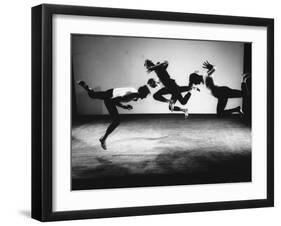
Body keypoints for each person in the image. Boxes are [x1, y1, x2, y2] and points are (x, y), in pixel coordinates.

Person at [77, 80, 150, 150]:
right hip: (110, 99)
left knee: (92, 95)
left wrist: (130, 102)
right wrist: (124, 106)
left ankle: (87, 87)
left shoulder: (134, 90)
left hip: (110, 92)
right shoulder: (134, 94)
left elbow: (123, 95)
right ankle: (103, 139)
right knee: (116, 121)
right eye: (145, 95)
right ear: (142, 93)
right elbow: (115, 100)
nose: (145, 97)